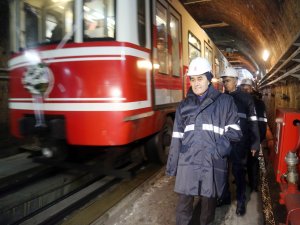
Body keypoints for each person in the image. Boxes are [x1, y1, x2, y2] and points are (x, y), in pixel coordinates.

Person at [166, 57, 242, 225]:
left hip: (212, 163)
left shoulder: (225, 102)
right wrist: (172, 166)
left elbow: (235, 132)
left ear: (209, 78)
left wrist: (217, 151)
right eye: (192, 79)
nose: (196, 83)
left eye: (200, 78)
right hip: (188, 162)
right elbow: (177, 137)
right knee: (183, 207)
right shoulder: (184, 105)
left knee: (208, 208)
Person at [219, 68, 260, 216]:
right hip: (223, 142)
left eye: (228, 80)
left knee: (238, 172)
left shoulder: (246, 99)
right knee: (223, 172)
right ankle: (225, 197)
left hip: (240, 142)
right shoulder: (220, 98)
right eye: (224, 81)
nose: (225, 84)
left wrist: (255, 143)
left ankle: (241, 201)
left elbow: (253, 122)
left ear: (236, 81)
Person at [240, 78, 268, 192]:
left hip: (248, 139)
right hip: (246, 139)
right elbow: (263, 122)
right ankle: (253, 184)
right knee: (251, 162)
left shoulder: (256, 103)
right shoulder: (259, 103)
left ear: (251, 89)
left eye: (247, 88)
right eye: (243, 88)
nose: (245, 90)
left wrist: (258, 139)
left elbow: (262, 121)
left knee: (247, 161)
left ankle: (249, 183)